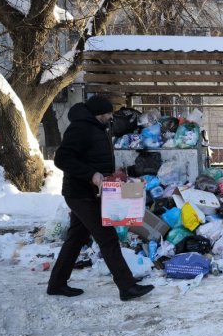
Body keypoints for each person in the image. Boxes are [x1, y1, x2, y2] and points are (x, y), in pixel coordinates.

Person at [48, 95, 154, 301]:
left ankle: (57, 283)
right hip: (81, 194)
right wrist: (91, 175)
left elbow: (93, 157)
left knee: (76, 239)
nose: (110, 117)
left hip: (90, 193)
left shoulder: (96, 129)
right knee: (108, 238)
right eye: (107, 113)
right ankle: (127, 286)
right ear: (98, 113)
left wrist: (113, 173)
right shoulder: (80, 128)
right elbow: (62, 158)